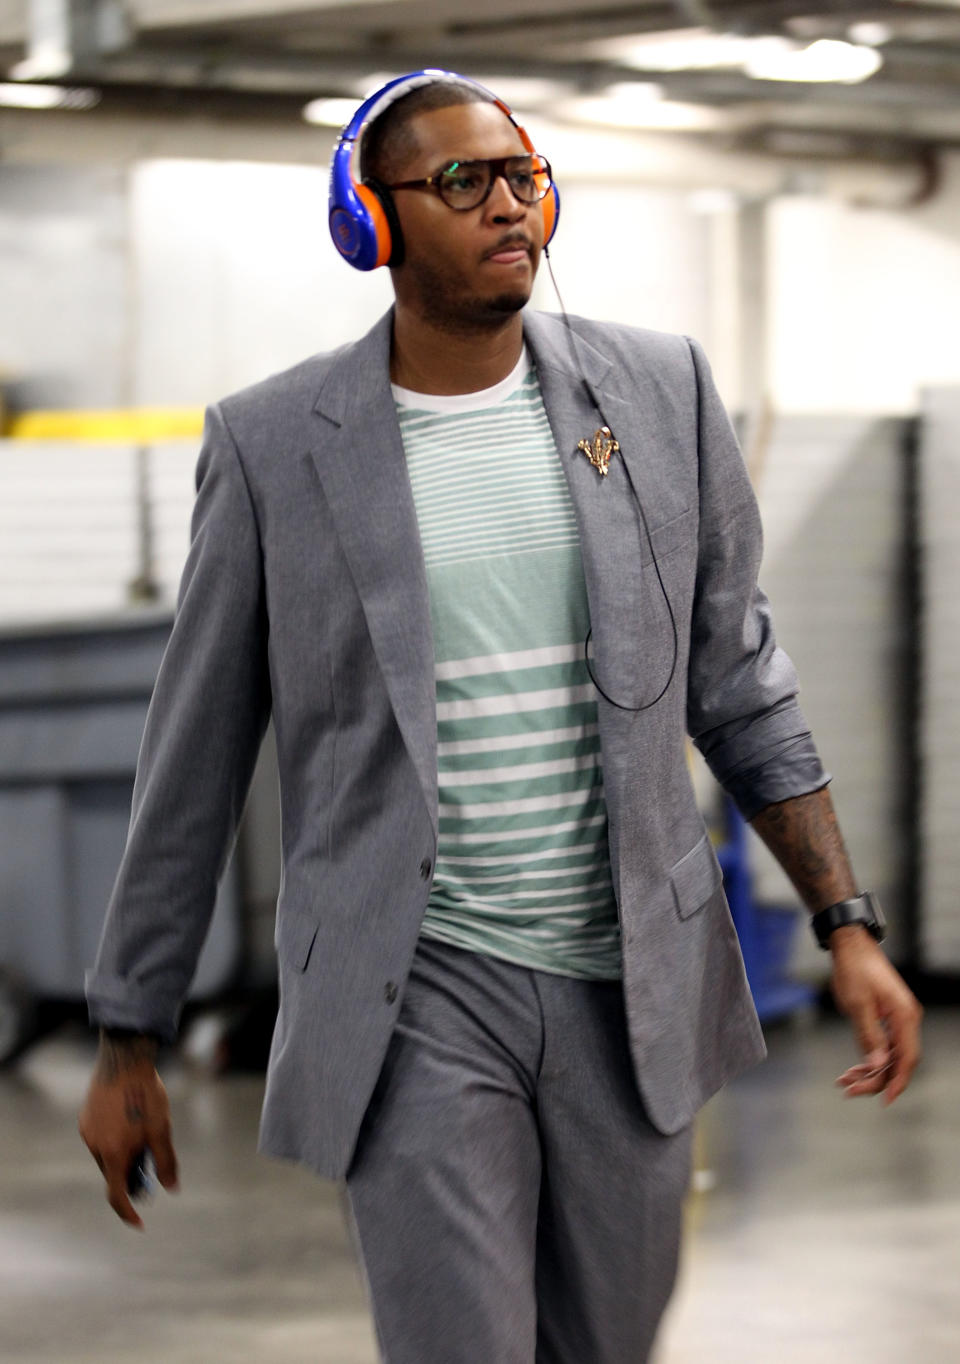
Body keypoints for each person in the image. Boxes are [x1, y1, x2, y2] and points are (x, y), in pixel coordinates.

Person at [79, 70, 923, 1363]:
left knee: (606, 1343)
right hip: (416, 988)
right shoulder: (274, 449)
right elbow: (191, 755)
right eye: (461, 182)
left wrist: (846, 923)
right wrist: (131, 1032)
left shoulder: (657, 397)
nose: (508, 206)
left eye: (523, 175)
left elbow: (739, 681)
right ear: (373, 219)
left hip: (629, 981)